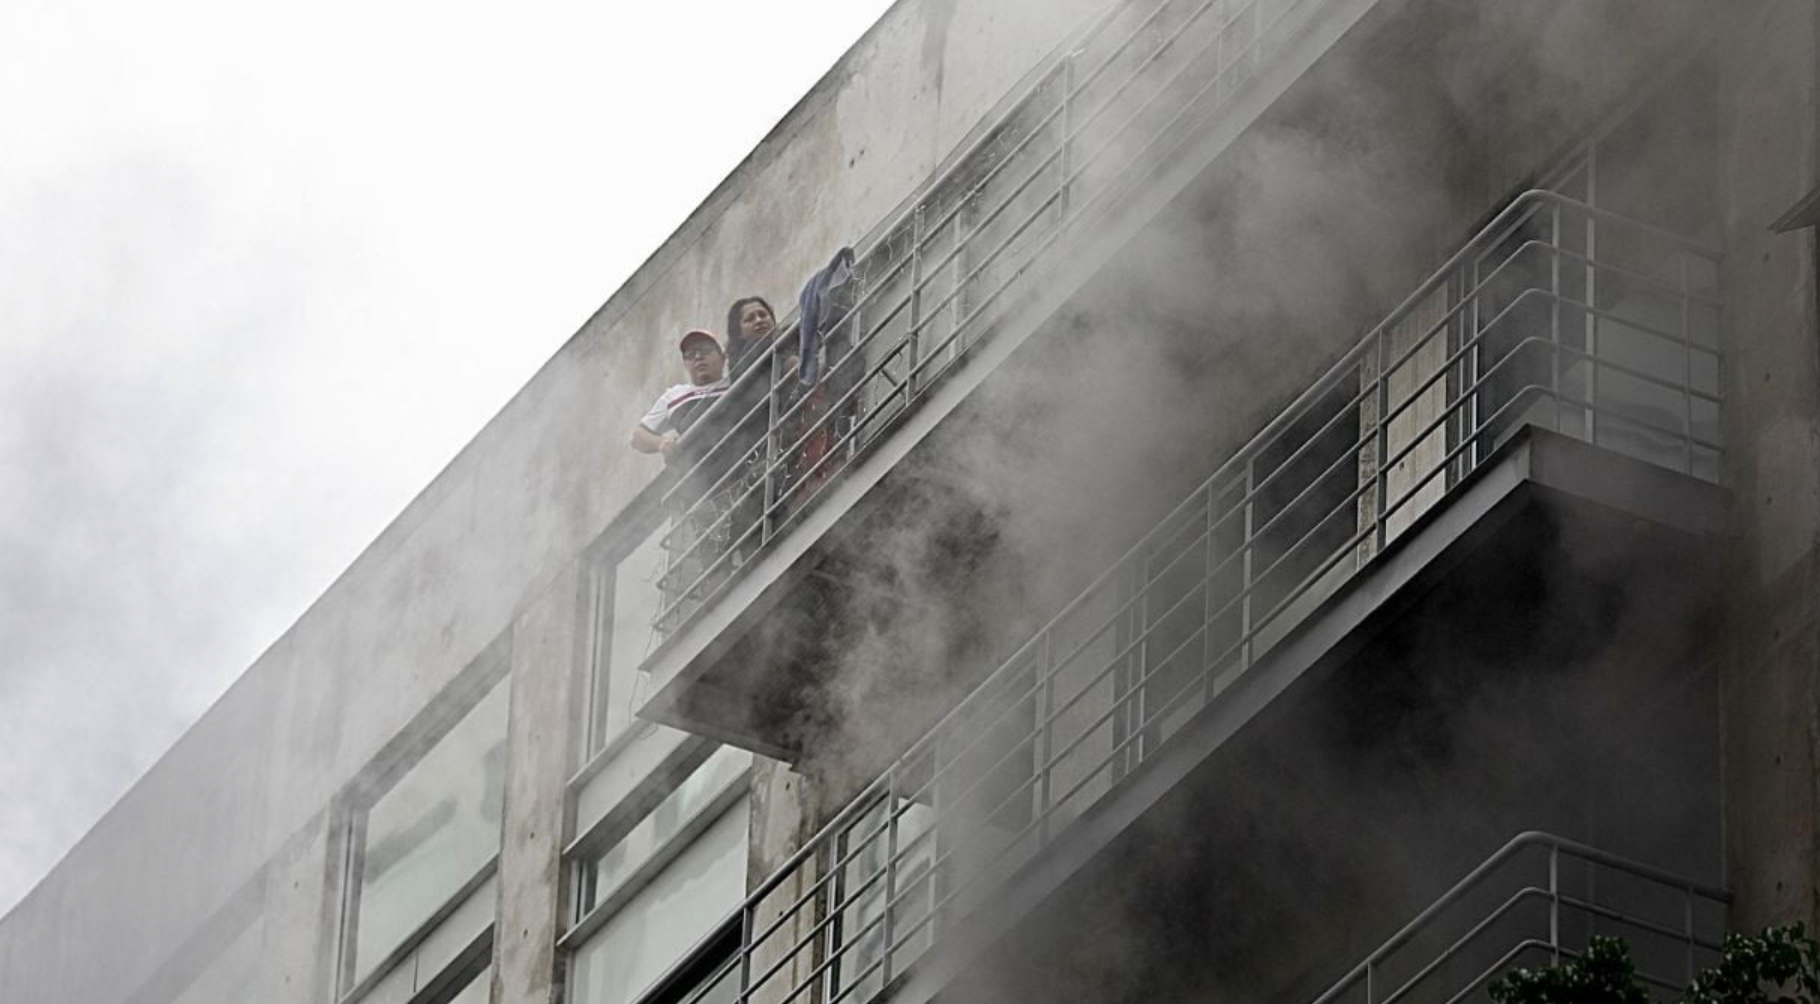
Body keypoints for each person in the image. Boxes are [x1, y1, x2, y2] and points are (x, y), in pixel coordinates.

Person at [630, 328, 730, 463]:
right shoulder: (674, 396)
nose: (698, 357)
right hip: (698, 472)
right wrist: (662, 443)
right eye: (690, 354)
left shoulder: (737, 382)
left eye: (706, 350)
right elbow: (638, 437)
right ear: (685, 365)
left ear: (723, 357)